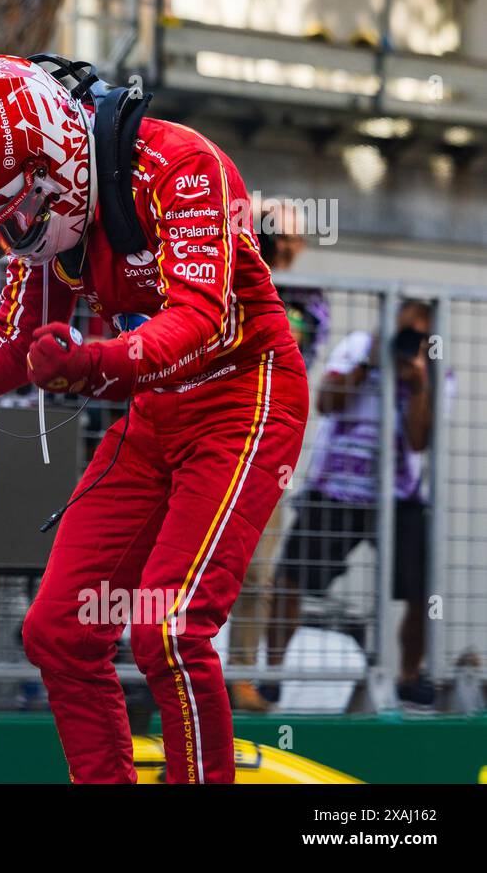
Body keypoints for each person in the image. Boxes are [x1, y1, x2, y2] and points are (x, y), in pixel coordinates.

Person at [0, 55, 308, 782]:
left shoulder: (183, 166)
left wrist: (91, 364)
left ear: (55, 158)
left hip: (244, 398)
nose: (13, 243)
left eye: (15, 223)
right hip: (155, 411)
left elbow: (197, 319)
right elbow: (11, 342)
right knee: (59, 631)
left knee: (170, 628)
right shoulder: (46, 213)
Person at [267, 299, 447, 707]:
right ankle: (272, 673)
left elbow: (421, 440)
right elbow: (328, 402)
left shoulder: (435, 369)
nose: (408, 338)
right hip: (337, 487)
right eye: (403, 328)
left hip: (399, 494)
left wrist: (417, 383)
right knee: (292, 576)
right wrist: (370, 363)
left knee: (421, 588)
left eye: (418, 332)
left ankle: (409, 676)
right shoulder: (359, 347)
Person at [227, 199, 330, 711]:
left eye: (293, 239)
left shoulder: (309, 298)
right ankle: (152, 669)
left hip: (268, 451)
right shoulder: (223, 267)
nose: (288, 247)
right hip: (208, 434)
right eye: (276, 236)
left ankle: (242, 676)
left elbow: (287, 342)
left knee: (257, 570)